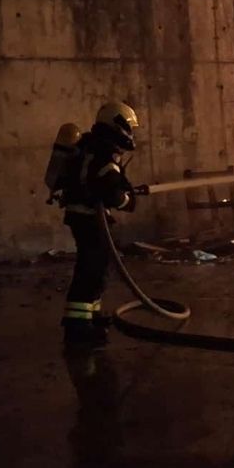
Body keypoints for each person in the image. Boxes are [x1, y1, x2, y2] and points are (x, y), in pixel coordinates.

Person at [58, 101, 140, 346]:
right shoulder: (104, 154)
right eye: (129, 127)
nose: (131, 133)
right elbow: (112, 194)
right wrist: (129, 200)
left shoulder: (89, 145)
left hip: (83, 215)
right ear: (117, 125)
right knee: (90, 270)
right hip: (89, 217)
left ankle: (90, 317)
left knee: (97, 267)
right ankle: (77, 329)